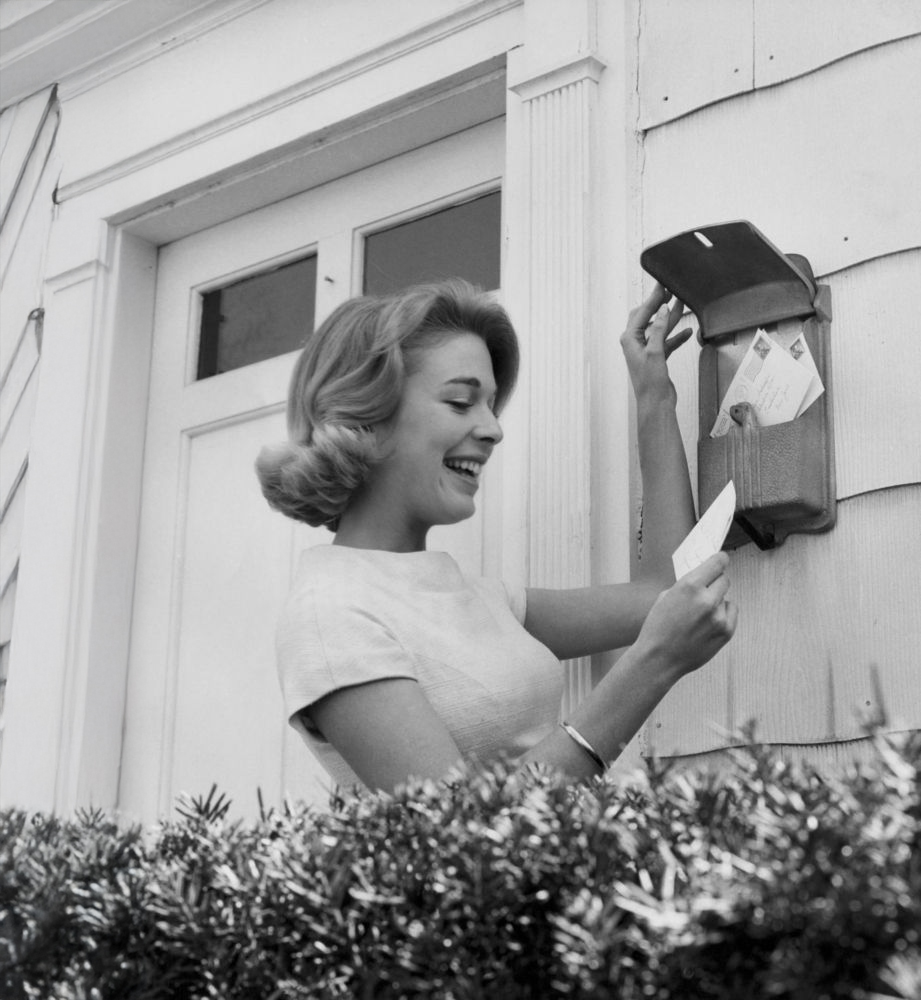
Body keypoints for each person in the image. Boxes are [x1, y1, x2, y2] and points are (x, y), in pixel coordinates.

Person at [255, 278, 737, 792]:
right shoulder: (332, 616)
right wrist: (653, 665)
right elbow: (463, 830)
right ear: (367, 421)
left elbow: (661, 595)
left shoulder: (481, 598)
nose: (492, 429)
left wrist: (654, 396)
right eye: (462, 402)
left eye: (491, 405)